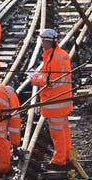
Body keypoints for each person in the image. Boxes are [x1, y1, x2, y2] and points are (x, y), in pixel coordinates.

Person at [28, 27, 74, 169]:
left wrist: (35, 79)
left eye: (43, 41)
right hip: (63, 100)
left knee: (57, 132)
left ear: (47, 41)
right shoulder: (60, 54)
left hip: (55, 102)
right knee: (64, 129)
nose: (41, 43)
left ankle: (59, 160)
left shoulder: (53, 57)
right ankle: (66, 155)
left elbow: (49, 81)